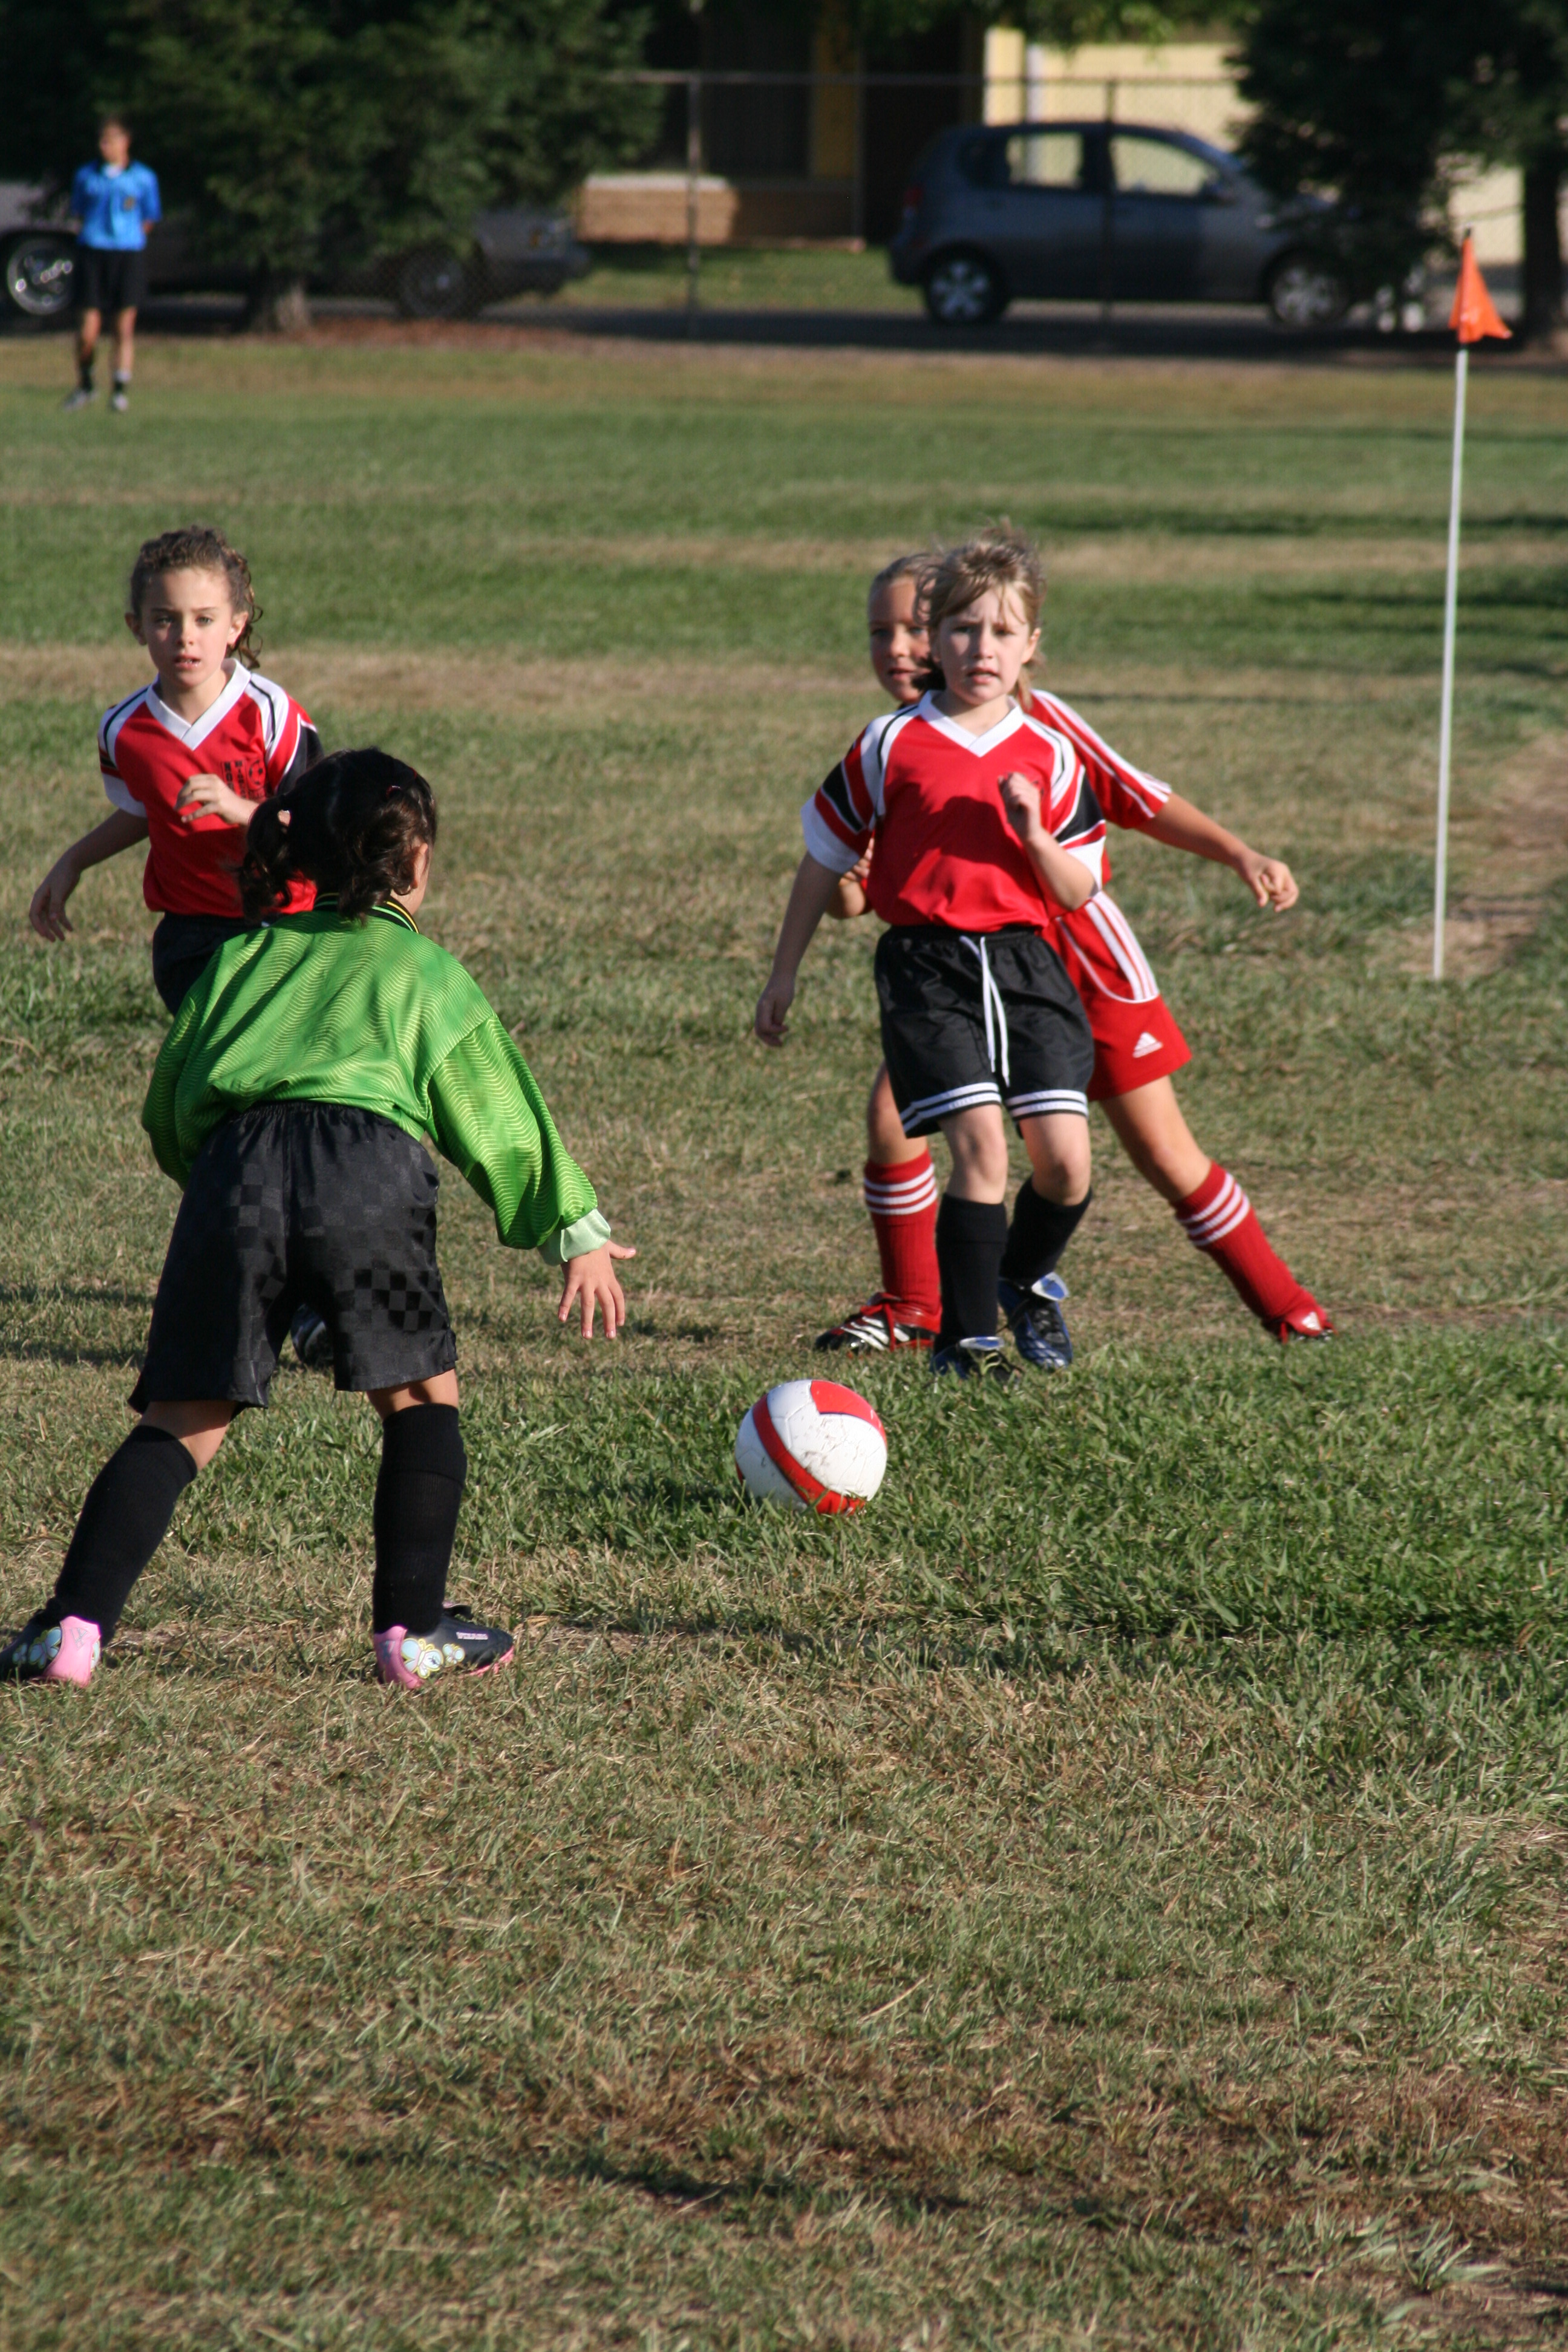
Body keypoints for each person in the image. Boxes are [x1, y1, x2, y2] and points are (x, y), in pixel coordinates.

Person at [1, 748, 634, 1692]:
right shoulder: (423, 971)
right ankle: (413, 1633)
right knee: (421, 1401)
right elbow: (498, 1115)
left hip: (236, 1174)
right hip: (366, 1174)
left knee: (183, 1416)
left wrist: (215, 1190)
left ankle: (70, 1630)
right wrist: (574, 1232)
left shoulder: (242, 957)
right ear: (416, 860)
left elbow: (171, 1104)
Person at [814, 554, 1333, 1359]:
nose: (899, 648)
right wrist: (849, 886)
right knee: (893, 1120)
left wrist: (1239, 852)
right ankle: (917, 1309)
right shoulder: (895, 747)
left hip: (1079, 961)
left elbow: (1137, 798)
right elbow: (865, 887)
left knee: (1161, 1151)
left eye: (913, 627)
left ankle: (1289, 1310)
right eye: (882, 631)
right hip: (959, 969)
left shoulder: (1037, 719)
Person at [756, 528, 1102, 1383]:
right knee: (981, 1148)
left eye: (1002, 632)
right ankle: (965, 1341)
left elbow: (1076, 889)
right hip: (928, 967)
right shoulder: (889, 742)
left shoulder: (1054, 754)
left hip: (1027, 968)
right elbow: (823, 859)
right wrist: (783, 973)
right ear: (935, 638)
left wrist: (1033, 833)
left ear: (1032, 645)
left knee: (1066, 1165)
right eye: (962, 629)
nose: (982, 649)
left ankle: (1020, 1279)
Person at [63, 114, 160, 414]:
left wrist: (127, 238)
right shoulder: (87, 176)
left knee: (124, 328)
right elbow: (78, 213)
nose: (105, 147)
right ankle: (86, 385)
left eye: (111, 140)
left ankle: (119, 391)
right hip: (93, 253)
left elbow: (149, 218)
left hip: (127, 255)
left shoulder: (142, 178)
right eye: (102, 141)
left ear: (125, 142)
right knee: (88, 330)